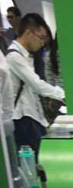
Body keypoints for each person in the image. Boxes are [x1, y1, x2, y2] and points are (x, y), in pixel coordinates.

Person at [6, 13, 64, 158]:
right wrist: (63, 94)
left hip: (30, 116)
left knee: (40, 156)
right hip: (22, 118)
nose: (43, 42)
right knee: (35, 160)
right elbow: (37, 84)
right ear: (28, 33)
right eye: (41, 37)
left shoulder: (24, 55)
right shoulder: (14, 57)